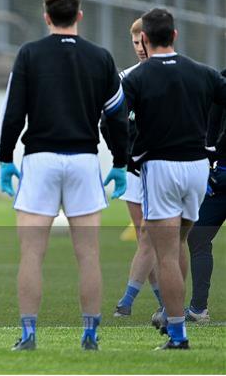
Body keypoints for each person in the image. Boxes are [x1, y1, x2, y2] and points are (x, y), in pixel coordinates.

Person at [0, 0, 129, 351]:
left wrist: (5, 158)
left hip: (39, 160)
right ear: (79, 15)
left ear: (46, 16)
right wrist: (120, 161)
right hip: (85, 160)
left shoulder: (29, 54)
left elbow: (13, 113)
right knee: (88, 255)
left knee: (31, 254)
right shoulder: (100, 57)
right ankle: (89, 335)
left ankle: (28, 335)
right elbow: (117, 118)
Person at [122, 9, 226, 349]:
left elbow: (117, 120)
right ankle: (176, 316)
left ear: (147, 39)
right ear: (176, 36)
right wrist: (212, 146)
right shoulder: (205, 73)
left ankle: (177, 333)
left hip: (161, 168)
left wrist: (130, 156)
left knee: (165, 252)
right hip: (198, 168)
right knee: (180, 243)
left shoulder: (135, 78)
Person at [101, 18, 163, 317]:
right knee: (143, 236)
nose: (140, 48)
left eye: (143, 41)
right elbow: (108, 122)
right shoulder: (125, 78)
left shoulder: (168, 75)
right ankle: (164, 300)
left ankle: (128, 300)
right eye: (135, 42)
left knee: (160, 236)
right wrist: (122, 155)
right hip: (134, 168)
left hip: (164, 166)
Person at [185, 68, 226, 322]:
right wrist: (208, 159)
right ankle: (198, 309)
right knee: (198, 236)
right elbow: (211, 126)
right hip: (220, 176)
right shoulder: (219, 79)